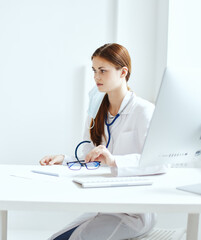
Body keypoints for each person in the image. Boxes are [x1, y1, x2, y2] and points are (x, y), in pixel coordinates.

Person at [40, 43, 157, 240]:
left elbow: (155, 161)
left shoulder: (144, 110)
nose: (96, 77)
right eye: (94, 70)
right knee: (55, 238)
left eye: (103, 71)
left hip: (133, 212)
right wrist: (65, 159)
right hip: (105, 205)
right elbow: (90, 157)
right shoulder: (97, 109)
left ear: (123, 72)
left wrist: (114, 161)